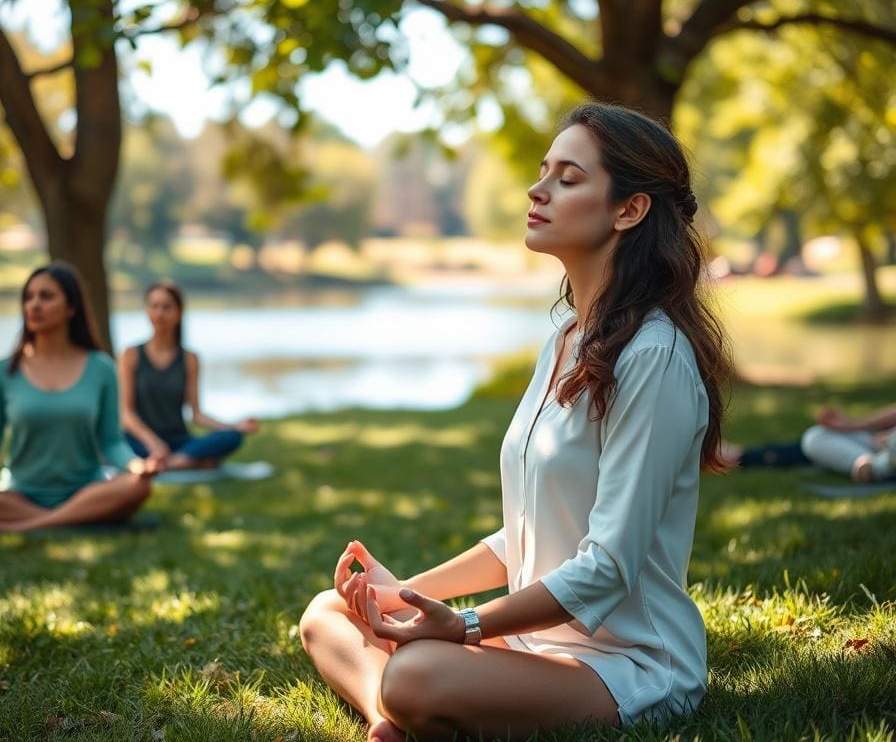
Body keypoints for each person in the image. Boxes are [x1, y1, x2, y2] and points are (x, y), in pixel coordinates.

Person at [299, 103, 732, 741]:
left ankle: (406, 706)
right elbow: (523, 536)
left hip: (623, 666)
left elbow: (608, 565)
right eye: (543, 171)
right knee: (327, 613)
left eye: (569, 177)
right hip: (529, 646)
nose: (539, 188)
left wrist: (469, 626)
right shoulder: (565, 338)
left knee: (417, 673)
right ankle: (387, 722)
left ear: (628, 209)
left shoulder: (655, 357)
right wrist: (406, 595)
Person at [0, 262, 156, 536]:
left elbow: (111, 441)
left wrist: (137, 466)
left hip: (85, 492)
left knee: (137, 486)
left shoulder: (101, 368)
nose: (34, 305)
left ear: (71, 307)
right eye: (28, 297)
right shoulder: (3, 371)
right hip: (19, 497)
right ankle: (69, 521)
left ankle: (21, 527)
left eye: (46, 296)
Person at [118, 281, 260, 471]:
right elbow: (126, 414)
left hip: (178, 441)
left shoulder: (190, 359)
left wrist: (234, 426)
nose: (159, 314)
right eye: (154, 306)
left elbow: (197, 414)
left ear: (179, 312)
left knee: (232, 437)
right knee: (115, 445)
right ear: (147, 310)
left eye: (166, 307)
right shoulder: (130, 355)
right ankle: (190, 463)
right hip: (141, 442)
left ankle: (169, 464)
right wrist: (153, 443)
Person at [724, 403, 896, 481]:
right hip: (883, 442)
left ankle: (875, 467)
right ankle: (871, 464)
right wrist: (850, 425)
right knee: (815, 437)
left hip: (889, 444)